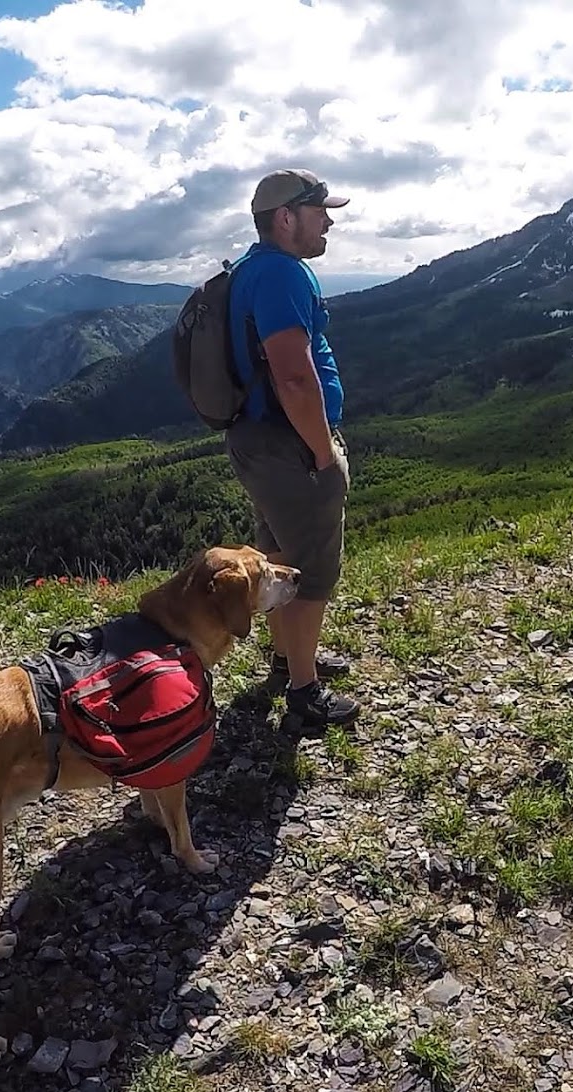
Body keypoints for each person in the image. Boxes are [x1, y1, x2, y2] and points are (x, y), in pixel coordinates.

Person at [223, 168, 360, 726]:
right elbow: (295, 379)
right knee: (310, 571)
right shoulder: (283, 275)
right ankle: (304, 696)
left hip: (260, 440)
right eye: (320, 211)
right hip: (291, 446)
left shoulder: (252, 272)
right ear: (286, 218)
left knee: (278, 556)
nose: (328, 221)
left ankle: (287, 659)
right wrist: (323, 453)